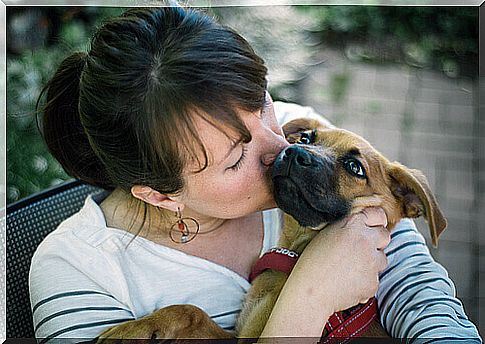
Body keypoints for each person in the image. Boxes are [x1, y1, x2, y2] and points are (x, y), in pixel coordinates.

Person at [30, 5, 482, 343]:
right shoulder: (77, 272)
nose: (280, 146)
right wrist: (313, 294)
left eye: (261, 104)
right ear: (162, 196)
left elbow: (425, 301)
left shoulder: (301, 131)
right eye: (235, 158)